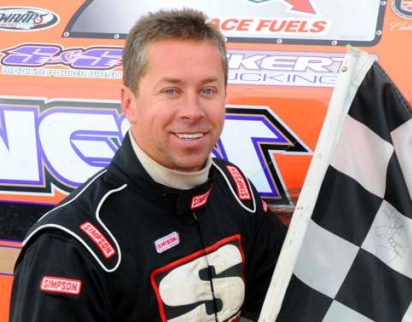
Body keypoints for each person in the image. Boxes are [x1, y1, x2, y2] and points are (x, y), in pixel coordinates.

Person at [9, 8, 287, 322]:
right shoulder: (70, 246)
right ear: (129, 103)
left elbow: (291, 300)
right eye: (171, 91)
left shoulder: (236, 193)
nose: (192, 111)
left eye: (207, 90)